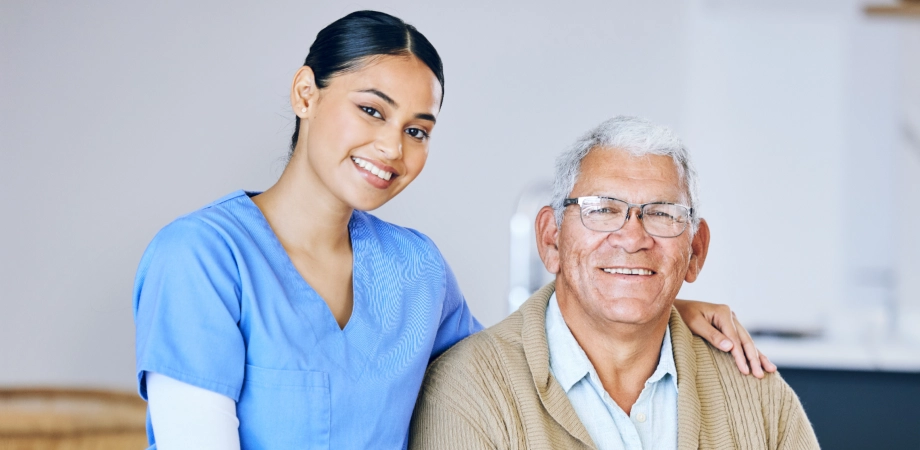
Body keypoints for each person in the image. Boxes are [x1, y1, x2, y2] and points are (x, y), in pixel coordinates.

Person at [134, 12, 774, 450]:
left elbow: (519, 364)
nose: (391, 147)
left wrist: (655, 304)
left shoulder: (415, 268)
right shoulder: (201, 259)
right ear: (306, 93)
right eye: (370, 110)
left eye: (416, 130)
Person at [410, 116, 819, 450]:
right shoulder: (469, 390)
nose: (633, 238)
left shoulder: (757, 395)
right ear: (551, 239)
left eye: (662, 214)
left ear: (695, 251)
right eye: (602, 209)